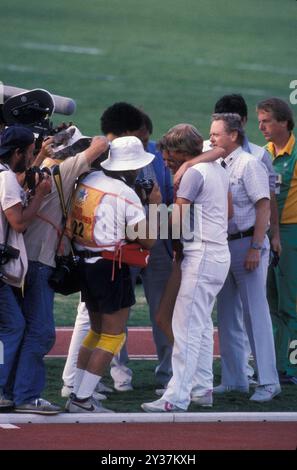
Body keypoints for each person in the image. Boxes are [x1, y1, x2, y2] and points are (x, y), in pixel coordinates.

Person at [62, 104, 173, 395]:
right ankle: (83, 396)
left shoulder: (89, 180)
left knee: (95, 333)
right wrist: (156, 205)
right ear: (134, 165)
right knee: (111, 337)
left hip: (85, 264)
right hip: (111, 267)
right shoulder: (125, 193)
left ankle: (77, 389)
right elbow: (147, 240)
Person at [11, 134, 109, 414]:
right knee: (41, 333)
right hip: (38, 263)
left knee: (18, 330)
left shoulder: (39, 171)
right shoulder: (63, 172)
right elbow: (101, 144)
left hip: (21, 262)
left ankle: (10, 392)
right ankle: (27, 396)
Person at [142, 124, 231, 412]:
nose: (166, 162)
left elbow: (176, 223)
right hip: (217, 253)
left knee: (186, 328)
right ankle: (201, 388)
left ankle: (175, 397)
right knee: (201, 326)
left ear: (181, 152)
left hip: (202, 255)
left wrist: (152, 209)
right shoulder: (215, 168)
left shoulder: (193, 172)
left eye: (169, 156)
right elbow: (227, 212)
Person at [210, 113, 281, 402]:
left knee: (256, 314)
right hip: (224, 246)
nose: (211, 138)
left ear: (234, 136)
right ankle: (235, 379)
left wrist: (255, 247)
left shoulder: (249, 165)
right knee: (226, 315)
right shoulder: (216, 162)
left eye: (216, 134)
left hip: (246, 244)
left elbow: (263, 207)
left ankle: (268, 381)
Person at [0, 126, 51, 409]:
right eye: (30, 153)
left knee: (9, 327)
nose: (31, 159)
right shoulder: (5, 177)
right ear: (17, 152)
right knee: (14, 326)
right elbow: (18, 222)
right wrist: (41, 195)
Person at [257, 97, 297, 385]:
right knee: (270, 302)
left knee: (291, 305)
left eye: (267, 120)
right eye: (259, 121)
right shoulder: (264, 153)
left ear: (284, 121)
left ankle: (291, 367)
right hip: (270, 233)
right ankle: (275, 364)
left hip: (291, 233)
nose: (262, 126)